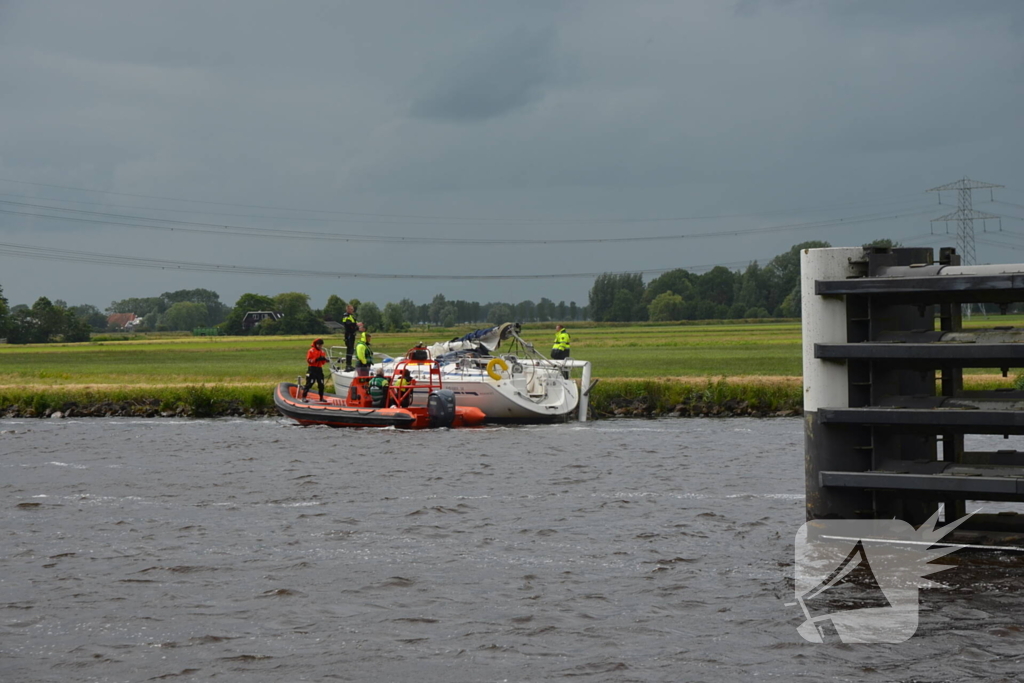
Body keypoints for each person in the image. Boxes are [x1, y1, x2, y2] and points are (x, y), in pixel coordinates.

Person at [341, 304, 358, 372]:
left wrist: (359, 326)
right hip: (349, 335)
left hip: (352, 335)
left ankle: (350, 365)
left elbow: (355, 325)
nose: (352, 310)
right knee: (349, 349)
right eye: (351, 309)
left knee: (351, 350)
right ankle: (348, 365)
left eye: (353, 309)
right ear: (347, 309)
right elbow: (348, 324)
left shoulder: (352, 317)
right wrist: (356, 325)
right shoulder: (346, 316)